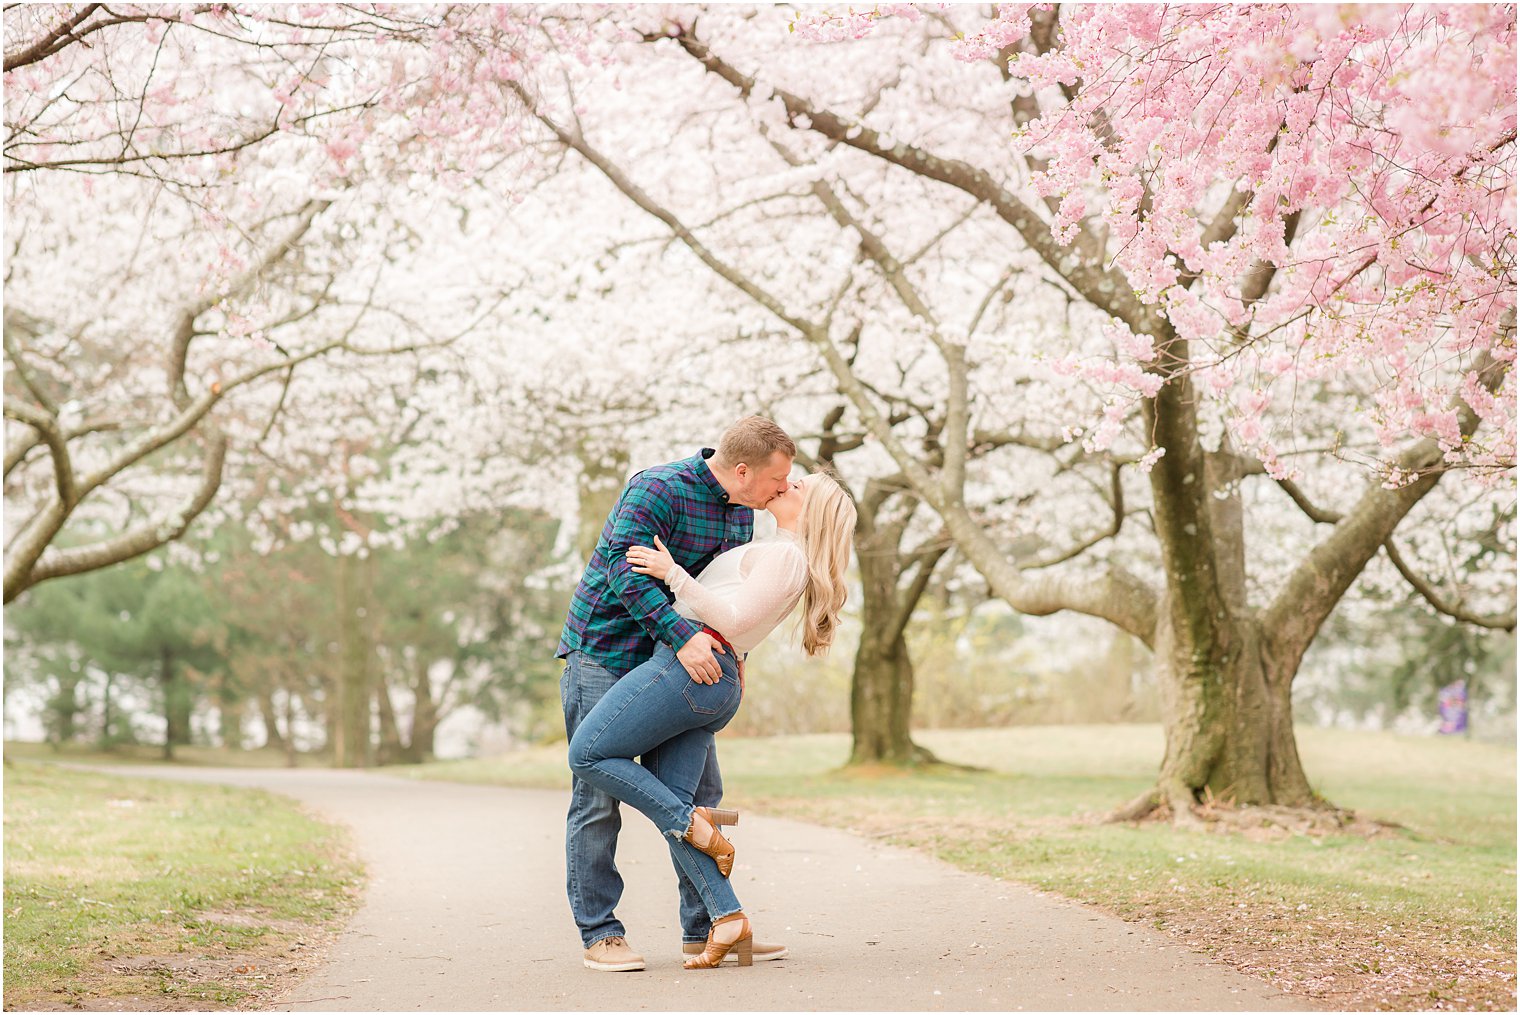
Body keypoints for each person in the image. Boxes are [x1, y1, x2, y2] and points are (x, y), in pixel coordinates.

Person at [568, 470, 856, 969]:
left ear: (812, 513)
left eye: (800, 485)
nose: (790, 483)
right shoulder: (775, 546)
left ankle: (690, 832)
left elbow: (736, 620)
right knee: (683, 798)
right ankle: (724, 919)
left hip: (692, 668)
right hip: (704, 672)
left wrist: (671, 572)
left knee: (588, 755)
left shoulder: (786, 556)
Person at [556, 416, 795, 972]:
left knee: (699, 790)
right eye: (776, 481)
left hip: (676, 667)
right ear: (742, 471)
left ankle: (706, 925)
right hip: (606, 652)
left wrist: (730, 650)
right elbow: (625, 571)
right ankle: (601, 933)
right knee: (597, 795)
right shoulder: (658, 488)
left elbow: (723, 595)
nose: (782, 489)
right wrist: (684, 638)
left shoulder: (742, 516)